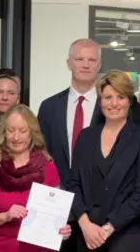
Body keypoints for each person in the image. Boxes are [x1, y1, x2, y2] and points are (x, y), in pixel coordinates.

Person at [65, 70, 140, 252]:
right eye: (107, 97)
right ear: (100, 102)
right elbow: (73, 184)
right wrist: (85, 224)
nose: (114, 104)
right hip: (87, 235)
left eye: (120, 97)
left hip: (126, 236)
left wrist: (107, 229)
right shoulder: (86, 137)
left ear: (130, 101)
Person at [38, 38, 105, 252]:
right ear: (68, 63)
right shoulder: (49, 107)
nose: (85, 64)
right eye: (79, 59)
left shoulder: (112, 107)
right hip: (58, 211)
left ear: (99, 65)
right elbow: (41, 156)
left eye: (91, 59)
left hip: (100, 213)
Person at [0, 104, 72, 252]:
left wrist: (62, 230)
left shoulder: (48, 168)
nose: (16, 137)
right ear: (3, 133)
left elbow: (57, 216)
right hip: (0, 247)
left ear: (32, 133)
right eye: (11, 131)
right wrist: (6, 216)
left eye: (23, 131)